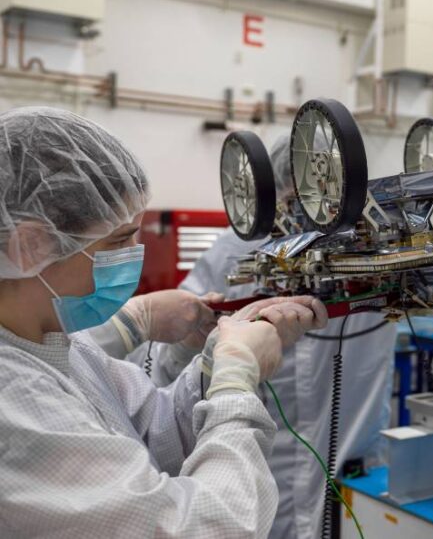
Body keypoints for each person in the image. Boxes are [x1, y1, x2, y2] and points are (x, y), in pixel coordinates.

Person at [0, 107, 328, 537]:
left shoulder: (54, 341)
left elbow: (152, 427)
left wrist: (214, 365)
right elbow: (199, 528)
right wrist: (235, 388)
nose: (133, 255)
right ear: (30, 245)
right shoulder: (16, 404)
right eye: (119, 241)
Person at [139, 135, 397, 538]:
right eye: (299, 193)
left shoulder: (379, 250)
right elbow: (167, 360)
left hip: (353, 462)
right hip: (259, 465)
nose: (312, 206)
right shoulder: (233, 252)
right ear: (272, 192)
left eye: (328, 189)